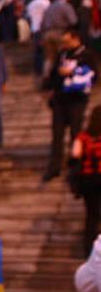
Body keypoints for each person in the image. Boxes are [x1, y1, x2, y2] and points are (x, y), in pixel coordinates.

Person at [44, 28, 98, 182]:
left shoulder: (87, 55)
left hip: (77, 100)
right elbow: (53, 74)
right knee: (57, 134)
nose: (65, 45)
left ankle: (76, 165)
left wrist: (73, 72)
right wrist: (53, 84)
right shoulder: (62, 54)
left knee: (75, 132)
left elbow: (93, 76)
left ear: (76, 39)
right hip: (60, 100)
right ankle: (54, 166)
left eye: (67, 41)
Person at [72, 106, 101, 255]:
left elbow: (75, 154)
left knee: (91, 215)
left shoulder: (83, 136)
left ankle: (89, 249)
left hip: (88, 180)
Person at [28, 0, 52, 76]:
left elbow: (29, 17)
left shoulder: (31, 3)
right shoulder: (46, 2)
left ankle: (37, 70)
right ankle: (42, 71)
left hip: (34, 29)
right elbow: (48, 16)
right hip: (43, 29)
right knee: (44, 51)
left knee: (37, 51)